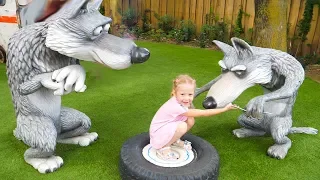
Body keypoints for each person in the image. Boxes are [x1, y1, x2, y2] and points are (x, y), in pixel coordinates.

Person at [149, 74, 237, 160]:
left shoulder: (182, 102)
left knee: (190, 120)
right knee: (182, 126)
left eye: (190, 94)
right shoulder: (175, 106)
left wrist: (189, 104)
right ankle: (164, 147)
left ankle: (174, 140)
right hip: (157, 133)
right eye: (182, 94)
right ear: (175, 93)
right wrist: (224, 109)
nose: (186, 98)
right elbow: (203, 113)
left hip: (166, 127)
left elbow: (192, 112)